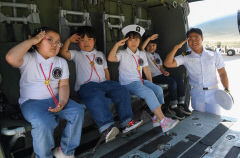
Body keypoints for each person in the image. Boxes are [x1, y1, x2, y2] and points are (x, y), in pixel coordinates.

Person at [5, 27, 84, 158]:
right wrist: (32, 40)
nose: (55, 44)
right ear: (37, 42)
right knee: (44, 122)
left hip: (56, 98)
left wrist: (63, 102)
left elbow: (63, 85)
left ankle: (65, 152)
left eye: (58, 42)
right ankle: (43, 155)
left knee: (77, 111)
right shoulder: (28, 59)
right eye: (50, 40)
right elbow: (10, 57)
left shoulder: (61, 62)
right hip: (32, 102)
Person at [60, 26, 143, 143]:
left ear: (94, 41)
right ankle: (106, 128)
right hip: (87, 86)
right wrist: (69, 40)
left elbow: (106, 71)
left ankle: (126, 123)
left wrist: (109, 87)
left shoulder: (99, 54)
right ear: (78, 43)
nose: (86, 43)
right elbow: (63, 53)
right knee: (96, 96)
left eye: (89, 39)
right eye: (82, 40)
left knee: (121, 90)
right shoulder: (76, 54)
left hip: (104, 84)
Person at [108, 24, 179, 133]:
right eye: (131, 39)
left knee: (158, 90)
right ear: (126, 41)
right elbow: (111, 58)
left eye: (137, 39)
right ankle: (163, 121)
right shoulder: (122, 53)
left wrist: (151, 84)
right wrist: (117, 45)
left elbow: (146, 69)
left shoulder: (141, 53)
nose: (134, 42)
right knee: (149, 93)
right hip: (128, 83)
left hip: (141, 81)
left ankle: (156, 118)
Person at [164, 28, 229, 115]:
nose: (193, 41)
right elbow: (167, 64)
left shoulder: (214, 54)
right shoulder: (186, 56)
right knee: (199, 122)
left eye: (196, 38)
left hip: (213, 93)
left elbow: (222, 73)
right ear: (187, 41)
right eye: (190, 39)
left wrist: (227, 89)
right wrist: (175, 48)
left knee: (214, 120)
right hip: (197, 94)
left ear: (202, 38)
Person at [141, 34, 191, 120]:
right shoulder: (144, 54)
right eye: (149, 45)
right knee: (172, 82)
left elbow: (161, 67)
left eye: (153, 45)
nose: (151, 47)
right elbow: (142, 48)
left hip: (160, 74)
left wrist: (164, 71)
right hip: (153, 77)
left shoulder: (156, 55)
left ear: (156, 46)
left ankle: (181, 103)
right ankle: (173, 106)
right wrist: (148, 39)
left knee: (179, 79)